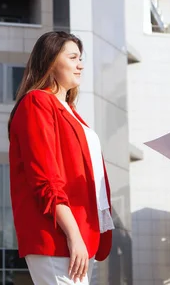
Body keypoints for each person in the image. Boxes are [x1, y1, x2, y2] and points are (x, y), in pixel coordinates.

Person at [8, 31, 114, 285]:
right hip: (57, 236)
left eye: (81, 58)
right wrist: (73, 234)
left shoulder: (71, 111)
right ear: (51, 61)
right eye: (73, 57)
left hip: (78, 238)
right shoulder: (37, 102)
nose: (81, 65)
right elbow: (45, 178)